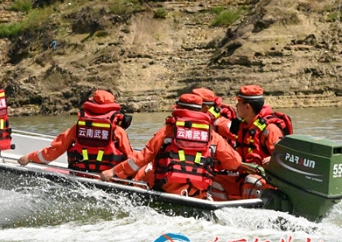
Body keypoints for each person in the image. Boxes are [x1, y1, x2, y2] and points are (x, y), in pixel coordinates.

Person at [100, 93, 241, 199]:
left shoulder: (167, 132)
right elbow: (234, 163)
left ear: (179, 108)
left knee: (145, 171)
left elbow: (142, 158)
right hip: (197, 194)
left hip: (167, 190)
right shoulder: (212, 136)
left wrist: (113, 172)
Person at [17, 90, 136, 173]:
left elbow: (52, 153)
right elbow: (130, 158)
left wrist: (29, 157)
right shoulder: (118, 131)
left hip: (80, 175)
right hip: (107, 178)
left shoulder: (77, 129)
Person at [232, 84, 292, 167]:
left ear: (247, 106)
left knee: (250, 180)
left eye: (239, 102)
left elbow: (284, 157)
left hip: (262, 177)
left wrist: (273, 159)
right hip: (244, 171)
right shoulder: (243, 126)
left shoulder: (270, 129)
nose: (236, 106)